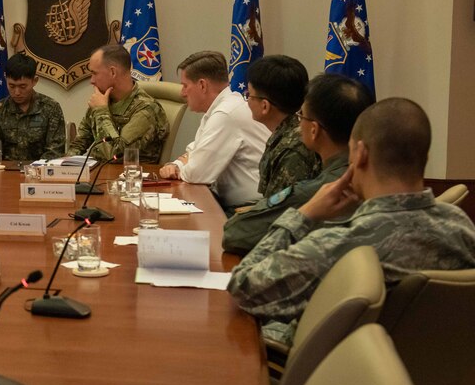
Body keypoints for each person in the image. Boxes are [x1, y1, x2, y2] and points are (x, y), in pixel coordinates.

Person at [228, 98, 475, 345]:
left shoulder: (343, 246)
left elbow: (244, 288)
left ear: (360, 154)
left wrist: (304, 215)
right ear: (426, 156)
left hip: (326, 376)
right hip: (434, 377)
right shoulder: (461, 227)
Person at [224, 74, 374, 255]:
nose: (297, 122)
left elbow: (235, 233)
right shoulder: (376, 180)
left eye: (301, 115)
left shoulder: (323, 191)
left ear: (314, 130)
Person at [159, 51, 269, 210]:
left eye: (185, 86)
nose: (182, 93)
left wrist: (179, 169)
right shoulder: (220, 109)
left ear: (202, 85)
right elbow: (194, 150)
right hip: (233, 205)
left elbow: (196, 174)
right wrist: (175, 164)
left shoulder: (226, 114)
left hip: (250, 210)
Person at [68, 44, 168, 163]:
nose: (92, 81)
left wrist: (101, 111)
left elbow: (115, 155)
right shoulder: (104, 100)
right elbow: (79, 143)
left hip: (130, 177)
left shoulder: (146, 109)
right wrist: (63, 165)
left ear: (112, 72)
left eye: (95, 73)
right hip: (98, 175)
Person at [244, 55, 321, 199]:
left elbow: (283, 209)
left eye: (249, 95)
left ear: (265, 106)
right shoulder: (285, 134)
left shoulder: (293, 149)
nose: (247, 100)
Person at [0, 53, 65, 162]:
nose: (17, 92)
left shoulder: (51, 109)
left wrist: (34, 170)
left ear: (35, 81)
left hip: (40, 174)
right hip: (6, 175)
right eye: (12, 86)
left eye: (23, 86)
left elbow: (55, 152)